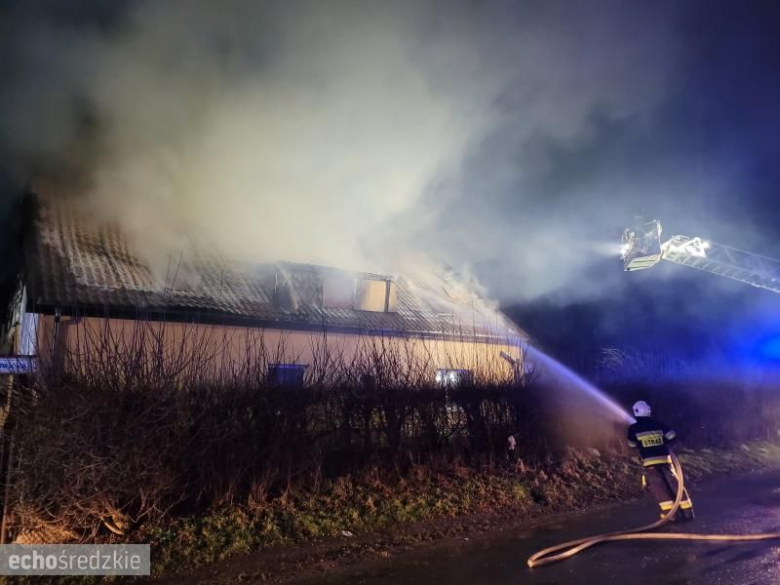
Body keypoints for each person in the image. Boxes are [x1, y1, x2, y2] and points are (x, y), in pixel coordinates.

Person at [627, 400, 694, 521]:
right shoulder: (657, 424)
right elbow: (673, 436)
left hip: (650, 463)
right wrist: (663, 443)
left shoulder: (633, 429)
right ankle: (688, 512)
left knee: (659, 488)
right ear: (648, 411)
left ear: (635, 412)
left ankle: (671, 515)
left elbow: (631, 445)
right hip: (665, 459)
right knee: (675, 484)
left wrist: (642, 443)